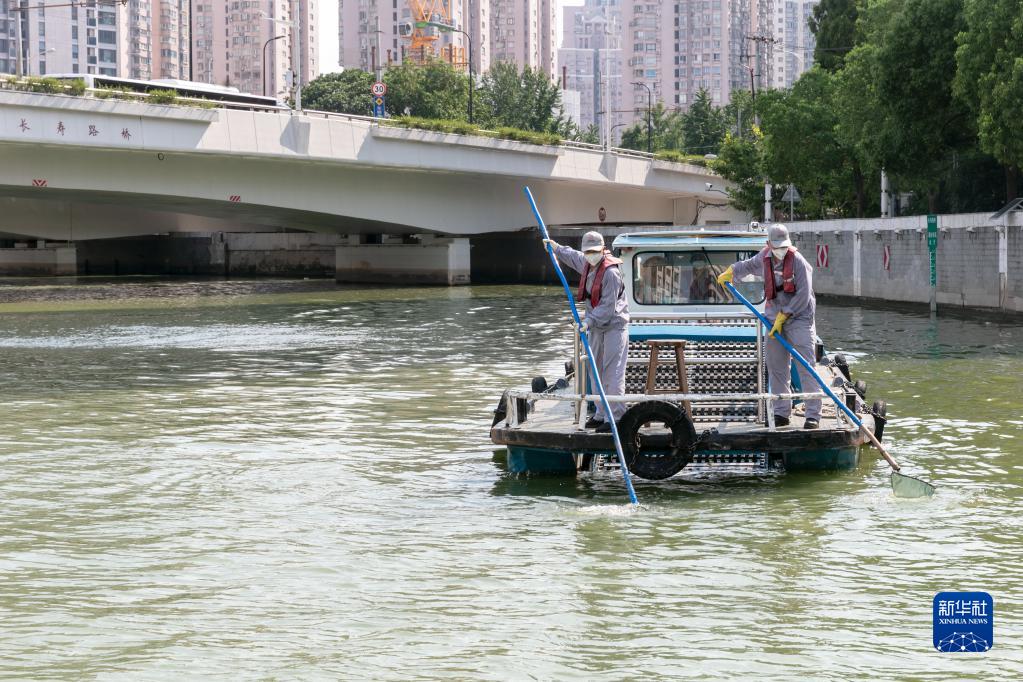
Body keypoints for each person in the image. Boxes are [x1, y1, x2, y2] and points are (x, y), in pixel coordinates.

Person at [716, 224, 822, 429]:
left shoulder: (799, 262)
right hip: (773, 319)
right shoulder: (763, 257)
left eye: (784, 246)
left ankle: (813, 416)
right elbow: (747, 266)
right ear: (768, 244)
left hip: (799, 318)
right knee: (776, 366)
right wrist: (731, 271)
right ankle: (781, 412)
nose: (781, 250)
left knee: (806, 367)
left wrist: (786, 314)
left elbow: (804, 295)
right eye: (777, 246)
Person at [543, 231, 629, 433]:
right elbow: (572, 256)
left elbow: (608, 307)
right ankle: (601, 414)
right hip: (595, 326)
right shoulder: (586, 262)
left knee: (613, 372)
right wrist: (555, 248)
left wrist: (588, 321)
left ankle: (615, 417)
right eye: (588, 252)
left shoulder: (611, 273)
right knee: (594, 369)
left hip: (614, 325)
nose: (591, 255)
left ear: (602, 250)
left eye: (594, 251)